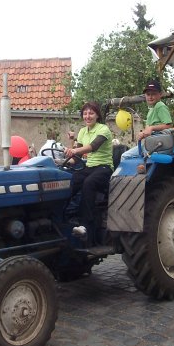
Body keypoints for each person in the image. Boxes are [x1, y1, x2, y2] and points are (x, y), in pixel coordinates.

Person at [64, 102, 113, 244]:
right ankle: (64, 217)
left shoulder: (103, 129)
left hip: (104, 168)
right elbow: (76, 158)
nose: (87, 116)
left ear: (97, 115)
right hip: (89, 167)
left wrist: (74, 150)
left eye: (91, 113)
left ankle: (85, 225)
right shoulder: (82, 132)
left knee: (88, 183)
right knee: (70, 181)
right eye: (85, 113)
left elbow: (92, 147)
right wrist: (61, 161)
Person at [121, 79, 173, 159]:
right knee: (126, 155)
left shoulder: (160, 106)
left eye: (153, 94)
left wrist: (152, 128)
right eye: (148, 94)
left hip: (160, 145)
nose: (150, 97)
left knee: (127, 156)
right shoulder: (151, 109)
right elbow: (148, 130)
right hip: (151, 143)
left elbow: (168, 126)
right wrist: (143, 134)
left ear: (160, 94)